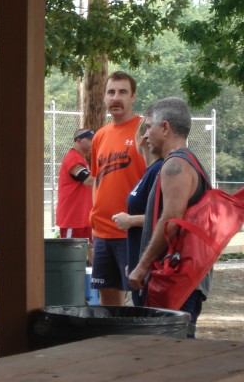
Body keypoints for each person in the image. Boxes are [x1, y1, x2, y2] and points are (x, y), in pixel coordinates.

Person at [129, 97, 211, 338]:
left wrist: (142, 266)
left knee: (173, 356)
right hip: (181, 278)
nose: (145, 136)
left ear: (165, 128)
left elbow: (171, 220)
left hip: (178, 281)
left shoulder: (175, 166)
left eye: (148, 127)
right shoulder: (185, 162)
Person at [89, 71, 146, 306]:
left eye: (123, 92)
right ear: (103, 97)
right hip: (102, 233)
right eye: (111, 92)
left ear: (133, 96)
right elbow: (97, 180)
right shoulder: (100, 136)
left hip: (131, 231)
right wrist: (94, 217)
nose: (116, 98)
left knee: (141, 300)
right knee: (107, 305)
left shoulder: (144, 131)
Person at [111, 119, 164, 306]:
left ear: (141, 139)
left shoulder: (159, 169)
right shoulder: (149, 171)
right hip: (138, 263)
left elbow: (165, 216)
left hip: (151, 270)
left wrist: (131, 220)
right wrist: (133, 262)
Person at [56, 128, 94, 245]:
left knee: (91, 250)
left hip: (83, 218)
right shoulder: (73, 158)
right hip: (72, 219)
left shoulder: (79, 157)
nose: (92, 142)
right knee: (70, 256)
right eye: (89, 139)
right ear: (78, 140)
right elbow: (88, 181)